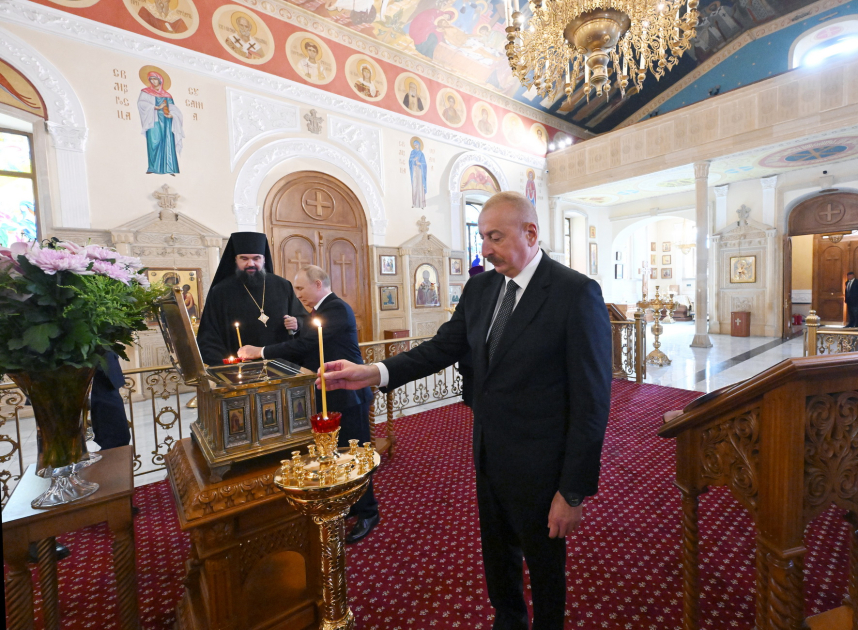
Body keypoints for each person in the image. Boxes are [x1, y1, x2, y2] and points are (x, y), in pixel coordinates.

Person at [320, 191, 612, 629]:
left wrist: (572, 491)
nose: (485, 249)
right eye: (482, 237)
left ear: (530, 233)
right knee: (497, 556)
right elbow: (443, 347)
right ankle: (508, 620)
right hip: (489, 453)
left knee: (545, 567)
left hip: (543, 465)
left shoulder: (575, 293)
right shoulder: (481, 287)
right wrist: (373, 371)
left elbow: (592, 402)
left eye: (495, 236)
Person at [238, 265, 380, 543]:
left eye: (301, 288)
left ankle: (368, 511)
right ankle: (349, 502)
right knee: (338, 454)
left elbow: (303, 347)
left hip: (348, 396)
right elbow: (309, 344)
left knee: (357, 455)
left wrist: (261, 352)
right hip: (331, 392)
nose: (298, 294)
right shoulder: (319, 312)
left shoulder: (336, 309)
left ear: (318, 284)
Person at [196, 232, 307, 365]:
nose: (251, 263)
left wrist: (297, 324)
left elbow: (303, 318)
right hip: (241, 369)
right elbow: (209, 336)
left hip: (282, 365)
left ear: (264, 259)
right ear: (235, 260)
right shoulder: (220, 291)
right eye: (244, 258)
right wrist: (227, 365)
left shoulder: (283, 285)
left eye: (256, 258)